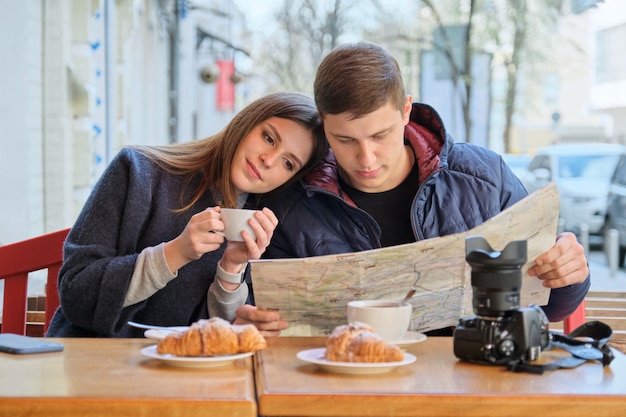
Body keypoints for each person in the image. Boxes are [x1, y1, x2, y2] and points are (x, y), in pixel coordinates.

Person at [235, 42, 591, 336]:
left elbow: (551, 306)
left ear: (406, 109)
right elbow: (264, 321)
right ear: (322, 122)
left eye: (380, 135)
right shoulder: (292, 206)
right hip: (348, 387)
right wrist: (259, 322)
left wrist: (568, 275)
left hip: (471, 382)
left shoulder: (485, 177)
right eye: (344, 140)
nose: (366, 157)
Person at [46, 92, 328, 337]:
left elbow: (219, 335)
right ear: (246, 123)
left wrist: (230, 268)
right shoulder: (137, 171)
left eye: (288, 163)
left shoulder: (261, 228)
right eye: (268, 138)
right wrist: (175, 253)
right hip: (91, 367)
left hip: (185, 382)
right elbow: (76, 293)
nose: (269, 160)